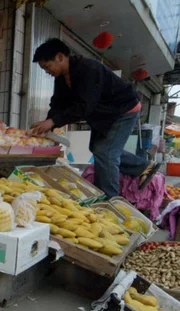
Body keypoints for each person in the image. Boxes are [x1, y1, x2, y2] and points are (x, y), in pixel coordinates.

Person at [30, 38, 160, 198]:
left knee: (106, 153)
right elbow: (57, 103)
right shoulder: (61, 79)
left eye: (47, 67)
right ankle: (143, 166)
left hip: (123, 109)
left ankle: (109, 200)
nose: (46, 72)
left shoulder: (88, 69)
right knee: (99, 149)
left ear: (59, 57)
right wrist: (48, 123)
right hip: (105, 114)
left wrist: (53, 121)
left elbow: (85, 106)